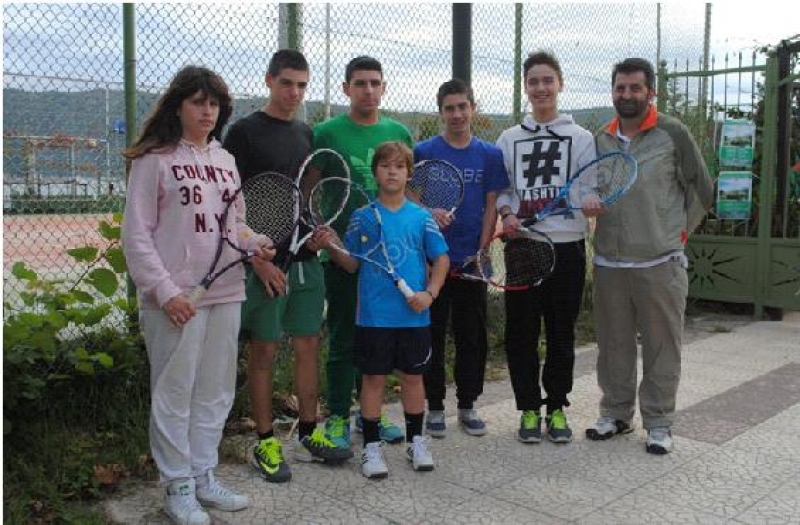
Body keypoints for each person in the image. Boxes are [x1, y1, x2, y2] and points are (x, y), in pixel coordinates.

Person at [123, 66, 270, 525]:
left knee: (215, 391)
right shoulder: (155, 159)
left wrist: (254, 242)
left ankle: (204, 475)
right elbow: (136, 237)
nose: (208, 111)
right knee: (174, 392)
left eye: (214, 104)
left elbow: (235, 224)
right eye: (198, 102)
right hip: (177, 301)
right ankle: (177, 486)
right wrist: (167, 293)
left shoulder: (225, 161)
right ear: (178, 106)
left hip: (226, 292)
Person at [223, 49, 352, 484]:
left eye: (301, 84)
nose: (294, 92)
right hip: (260, 264)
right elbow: (230, 204)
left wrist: (314, 231)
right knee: (263, 350)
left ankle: (309, 432)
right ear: (269, 80)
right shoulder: (242, 132)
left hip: (303, 260)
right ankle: (265, 441)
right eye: (286, 83)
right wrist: (257, 262)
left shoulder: (305, 133)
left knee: (308, 345)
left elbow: (304, 197)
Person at [584, 57, 713, 454]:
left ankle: (658, 422)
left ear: (650, 91)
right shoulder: (600, 139)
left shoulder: (672, 132)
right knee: (613, 346)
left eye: (635, 88)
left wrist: (678, 233)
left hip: (660, 262)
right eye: (620, 88)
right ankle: (616, 414)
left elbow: (702, 188)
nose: (627, 95)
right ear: (613, 91)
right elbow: (588, 191)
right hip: (609, 263)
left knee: (662, 345)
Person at [314, 141, 449, 478]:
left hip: (414, 314)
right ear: (375, 172)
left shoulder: (421, 217)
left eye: (399, 166)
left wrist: (429, 293)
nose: (392, 171)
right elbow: (351, 265)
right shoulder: (363, 217)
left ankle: (416, 441)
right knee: (373, 379)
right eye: (386, 165)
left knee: (413, 378)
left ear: (408, 174)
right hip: (374, 316)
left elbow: (442, 258)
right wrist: (330, 244)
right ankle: (372, 448)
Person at [313, 56, 414, 449]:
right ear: (345, 88)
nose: (368, 90)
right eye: (360, 83)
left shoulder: (398, 131)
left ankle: (368, 416)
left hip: (387, 262)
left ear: (384, 87)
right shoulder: (326, 132)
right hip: (342, 257)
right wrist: (321, 235)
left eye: (375, 83)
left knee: (375, 341)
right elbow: (310, 188)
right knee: (342, 340)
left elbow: (410, 191)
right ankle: (337, 416)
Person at [496, 51, 596, 445]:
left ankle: (556, 406)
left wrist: (591, 204)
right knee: (520, 333)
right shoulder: (509, 138)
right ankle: (527, 409)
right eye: (533, 81)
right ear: (526, 87)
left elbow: (589, 189)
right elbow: (504, 190)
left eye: (547, 80)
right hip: (524, 247)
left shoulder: (581, 138)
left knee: (560, 333)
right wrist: (507, 214)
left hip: (568, 248)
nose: (540, 88)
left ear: (560, 84)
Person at [413, 79, 508, 438]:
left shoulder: (489, 155)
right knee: (432, 336)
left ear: (473, 109)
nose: (456, 114)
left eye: (462, 106)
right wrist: (429, 212)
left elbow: (490, 205)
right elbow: (409, 196)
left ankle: (468, 404)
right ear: (441, 112)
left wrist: (482, 251)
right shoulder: (423, 151)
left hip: (472, 263)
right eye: (449, 108)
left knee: (472, 337)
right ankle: (434, 406)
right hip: (433, 264)